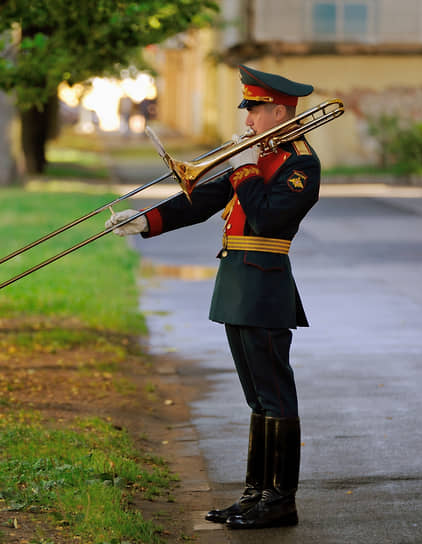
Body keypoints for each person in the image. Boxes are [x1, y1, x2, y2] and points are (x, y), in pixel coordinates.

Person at [105, 64, 320, 529]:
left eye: (255, 112)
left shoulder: (301, 163)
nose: (247, 123)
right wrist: (144, 221)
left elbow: (265, 218)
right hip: (237, 285)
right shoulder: (257, 156)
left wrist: (244, 169)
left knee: (275, 395)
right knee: (257, 398)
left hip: (265, 288)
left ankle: (281, 500)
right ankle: (256, 493)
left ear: (279, 110)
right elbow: (201, 200)